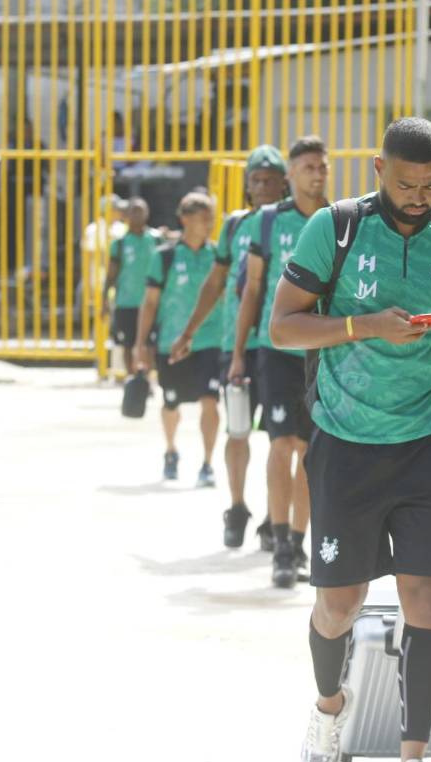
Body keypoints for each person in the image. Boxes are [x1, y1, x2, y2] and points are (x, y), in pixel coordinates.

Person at [271, 117, 431, 762]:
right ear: (377, 170)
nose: (417, 196)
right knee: (340, 604)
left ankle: (411, 760)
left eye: (429, 184)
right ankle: (329, 709)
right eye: (404, 183)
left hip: (424, 444)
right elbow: (283, 324)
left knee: (425, 601)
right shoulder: (334, 229)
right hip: (347, 440)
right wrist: (364, 324)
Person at [202, 136, 329, 588]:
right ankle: (278, 540)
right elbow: (251, 290)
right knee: (281, 445)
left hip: (323, 354)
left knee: (312, 454)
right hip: (275, 351)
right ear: (292, 175)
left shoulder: (340, 221)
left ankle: (297, 542)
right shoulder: (268, 224)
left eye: (322, 166)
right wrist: (239, 353)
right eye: (308, 166)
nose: (317, 173)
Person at [170, 145, 289, 550]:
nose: (263, 186)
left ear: (284, 183)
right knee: (237, 429)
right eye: (256, 179)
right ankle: (237, 507)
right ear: (247, 186)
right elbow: (216, 283)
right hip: (235, 345)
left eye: (271, 179)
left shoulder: (296, 224)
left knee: (281, 437)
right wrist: (188, 332)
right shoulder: (236, 226)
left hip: (280, 346)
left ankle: (277, 518)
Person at [134, 192, 223, 486]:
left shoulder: (219, 256)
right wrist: (141, 343)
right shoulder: (165, 257)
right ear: (184, 219)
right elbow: (149, 303)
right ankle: (171, 451)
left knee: (210, 401)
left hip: (211, 341)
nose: (208, 224)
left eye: (211, 218)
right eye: (202, 218)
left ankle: (207, 464)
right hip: (170, 343)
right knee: (171, 403)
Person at [104, 197, 159, 376]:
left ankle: (146, 378)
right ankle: (132, 377)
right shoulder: (119, 244)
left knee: (150, 343)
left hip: (150, 302)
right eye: (133, 211)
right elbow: (111, 273)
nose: (137, 214)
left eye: (140, 210)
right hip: (126, 301)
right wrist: (105, 298)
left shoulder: (156, 240)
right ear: (126, 215)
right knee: (128, 343)